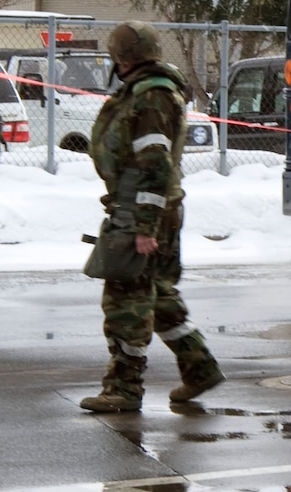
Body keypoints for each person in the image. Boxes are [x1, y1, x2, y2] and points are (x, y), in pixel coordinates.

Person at [78, 21, 222, 413]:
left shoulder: (152, 98)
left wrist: (144, 226)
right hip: (153, 207)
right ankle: (199, 368)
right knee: (157, 296)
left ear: (121, 58)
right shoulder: (152, 92)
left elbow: (153, 165)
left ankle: (124, 388)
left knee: (126, 300)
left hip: (142, 210)